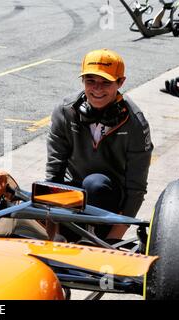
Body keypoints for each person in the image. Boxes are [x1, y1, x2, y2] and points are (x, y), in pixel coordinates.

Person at [46, 48, 153, 241]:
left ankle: (96, 236)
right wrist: (54, 235)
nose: (97, 89)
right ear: (83, 81)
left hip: (108, 198)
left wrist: (113, 239)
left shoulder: (135, 123)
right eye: (91, 81)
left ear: (121, 82)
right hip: (72, 196)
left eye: (106, 82)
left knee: (95, 184)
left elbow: (136, 188)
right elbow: (54, 174)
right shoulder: (65, 112)